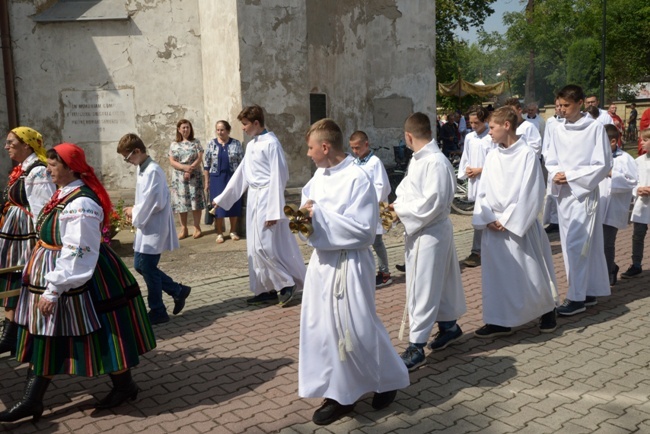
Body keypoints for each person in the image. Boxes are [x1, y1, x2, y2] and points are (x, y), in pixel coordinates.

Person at [0, 144, 156, 423]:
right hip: (57, 271)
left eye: (53, 165)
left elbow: (77, 251)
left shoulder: (81, 203)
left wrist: (54, 288)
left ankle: (122, 386)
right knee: (51, 334)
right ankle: (33, 400)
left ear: (71, 168)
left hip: (79, 275)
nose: (48, 169)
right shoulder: (63, 193)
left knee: (100, 332)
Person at [298, 118, 409, 426]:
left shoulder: (357, 179)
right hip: (323, 264)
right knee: (324, 330)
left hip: (350, 263)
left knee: (358, 328)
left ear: (324, 146)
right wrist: (304, 220)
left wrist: (317, 215)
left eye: (310, 148)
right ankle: (339, 393)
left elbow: (363, 231)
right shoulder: (318, 178)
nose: (308, 154)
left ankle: (389, 378)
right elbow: (305, 219)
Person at [472, 106, 558, 337]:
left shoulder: (527, 155)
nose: (488, 132)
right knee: (496, 277)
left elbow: (531, 192)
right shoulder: (491, 156)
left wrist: (507, 219)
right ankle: (499, 320)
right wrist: (488, 217)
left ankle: (547, 310)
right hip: (494, 225)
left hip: (519, 225)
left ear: (506, 126)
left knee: (528, 272)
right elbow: (483, 191)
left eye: (492, 127)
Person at [391, 112, 466, 371]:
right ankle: (449, 326)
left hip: (430, 232)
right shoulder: (419, 159)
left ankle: (416, 345)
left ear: (408, 136)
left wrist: (400, 211)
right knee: (441, 283)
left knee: (421, 287)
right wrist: (396, 205)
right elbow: (405, 191)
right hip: (425, 231)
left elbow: (432, 203)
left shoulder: (435, 162)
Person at [213, 105, 305, 306]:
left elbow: (279, 177)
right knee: (253, 248)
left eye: (245, 124)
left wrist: (274, 210)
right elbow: (242, 174)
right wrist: (222, 198)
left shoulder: (271, 144)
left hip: (267, 197)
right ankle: (266, 288)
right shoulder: (253, 144)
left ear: (256, 123)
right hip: (254, 199)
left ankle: (286, 283)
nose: (243, 128)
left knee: (265, 246)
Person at [545, 85, 611, 316]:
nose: (561, 110)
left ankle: (576, 297)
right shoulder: (555, 128)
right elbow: (549, 157)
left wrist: (570, 176)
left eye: (566, 105)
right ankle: (588, 291)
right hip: (563, 194)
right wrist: (555, 174)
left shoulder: (594, 128)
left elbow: (602, 164)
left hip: (583, 194)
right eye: (559, 105)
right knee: (575, 244)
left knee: (578, 246)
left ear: (581, 103)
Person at [118, 133, 192, 325]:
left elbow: (155, 202)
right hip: (146, 225)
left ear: (137, 151)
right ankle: (177, 290)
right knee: (140, 265)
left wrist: (134, 211)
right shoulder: (142, 169)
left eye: (128, 157)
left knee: (147, 266)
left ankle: (158, 309)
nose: (128, 162)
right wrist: (135, 212)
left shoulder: (153, 171)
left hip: (154, 225)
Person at [0, 127, 56, 357]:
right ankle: (10, 336)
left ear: (27, 145)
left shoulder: (38, 172)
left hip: (26, 236)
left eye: (11, 142)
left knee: (23, 281)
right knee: (12, 280)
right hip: (14, 234)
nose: (6, 147)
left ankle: (22, 336)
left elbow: (43, 210)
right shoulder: (23, 169)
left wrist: (39, 243)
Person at [349, 130, 392, 288]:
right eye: (352, 148)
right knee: (364, 241)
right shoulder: (354, 163)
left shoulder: (375, 162)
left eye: (357, 147)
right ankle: (365, 271)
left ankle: (385, 272)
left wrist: (369, 199)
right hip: (359, 208)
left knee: (377, 241)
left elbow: (382, 186)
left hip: (374, 208)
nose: (355, 151)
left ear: (366, 144)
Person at [599, 125, 637, 285]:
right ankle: (610, 267)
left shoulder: (625, 158)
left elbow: (632, 181)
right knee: (597, 244)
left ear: (613, 141)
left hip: (613, 208)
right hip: (598, 205)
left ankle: (607, 273)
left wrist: (612, 174)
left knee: (607, 243)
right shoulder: (597, 157)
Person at [457, 106, 494, 267]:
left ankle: (478, 250)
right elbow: (466, 156)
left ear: (485, 121)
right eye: (471, 122)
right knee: (479, 213)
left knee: (484, 213)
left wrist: (480, 170)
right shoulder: (470, 137)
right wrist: (466, 170)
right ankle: (480, 249)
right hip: (474, 180)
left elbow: (496, 161)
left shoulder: (491, 137)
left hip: (488, 181)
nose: (473, 126)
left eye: (476, 123)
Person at [204, 120, 244, 244]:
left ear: (228, 130)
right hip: (217, 178)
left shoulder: (236, 144)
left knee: (234, 203)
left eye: (222, 130)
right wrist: (207, 182)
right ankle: (220, 233)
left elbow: (243, 162)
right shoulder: (211, 144)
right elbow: (206, 164)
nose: (220, 132)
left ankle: (233, 231)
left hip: (233, 177)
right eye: (218, 130)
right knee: (217, 205)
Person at [621, 128, 650, 278]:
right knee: (638, 235)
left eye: (645, 140)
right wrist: (638, 189)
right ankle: (636, 263)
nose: (642, 143)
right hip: (642, 204)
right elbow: (632, 181)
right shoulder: (638, 161)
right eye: (641, 140)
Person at [169, 119, 205, 240]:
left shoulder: (196, 142)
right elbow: (172, 161)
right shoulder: (174, 144)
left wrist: (190, 169)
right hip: (179, 178)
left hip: (194, 175)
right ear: (179, 129)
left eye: (188, 127)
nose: (186, 130)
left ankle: (197, 227)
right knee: (181, 203)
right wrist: (184, 168)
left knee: (196, 201)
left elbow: (199, 158)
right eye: (183, 128)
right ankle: (183, 228)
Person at [542, 99, 562, 234]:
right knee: (551, 194)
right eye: (557, 106)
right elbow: (546, 144)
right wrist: (549, 162)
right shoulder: (551, 122)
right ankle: (554, 221)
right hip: (553, 164)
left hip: (566, 164)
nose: (559, 108)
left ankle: (563, 221)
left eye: (562, 105)